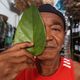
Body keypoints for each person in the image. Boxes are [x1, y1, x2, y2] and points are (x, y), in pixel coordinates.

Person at [0, 4, 80, 80]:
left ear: (64, 36)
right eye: (39, 29)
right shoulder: (12, 72)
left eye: (55, 29)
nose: (47, 37)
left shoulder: (76, 72)